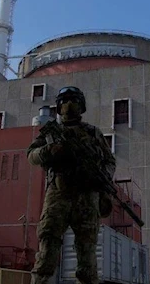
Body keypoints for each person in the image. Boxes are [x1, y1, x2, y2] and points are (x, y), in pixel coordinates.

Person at [27, 86, 117, 284]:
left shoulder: (93, 133)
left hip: (87, 196)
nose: (69, 106)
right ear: (58, 107)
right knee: (48, 244)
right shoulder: (53, 132)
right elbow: (31, 155)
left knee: (87, 253)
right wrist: (49, 151)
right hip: (58, 193)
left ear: (81, 106)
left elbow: (110, 161)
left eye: (74, 101)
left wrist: (103, 177)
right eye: (65, 101)